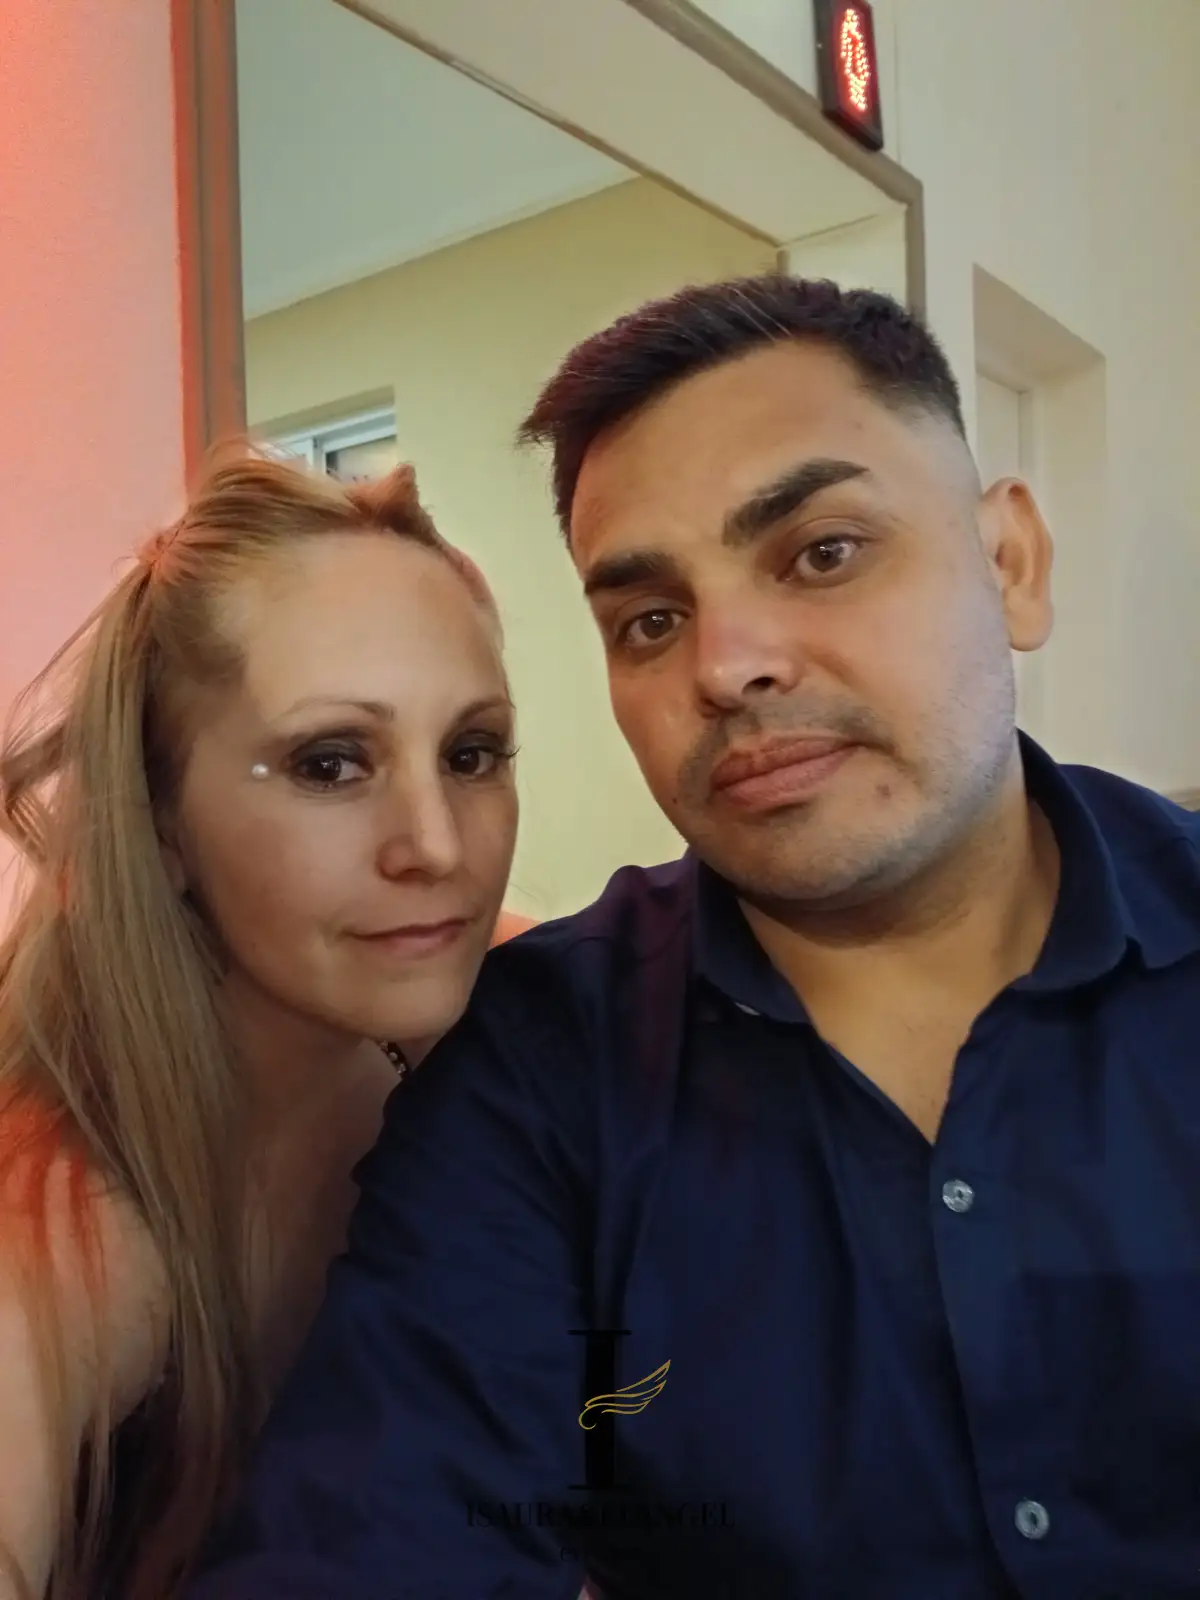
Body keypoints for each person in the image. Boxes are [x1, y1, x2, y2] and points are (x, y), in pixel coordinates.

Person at [185, 276, 1200, 1599]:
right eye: (651, 620)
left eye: (822, 552)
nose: (725, 665)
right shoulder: (540, 1070)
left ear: (1010, 564)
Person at [0, 448, 519, 1599]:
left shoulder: (505, 1004)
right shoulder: (70, 1221)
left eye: (471, 753)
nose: (437, 846)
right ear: (162, 826)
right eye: (330, 763)